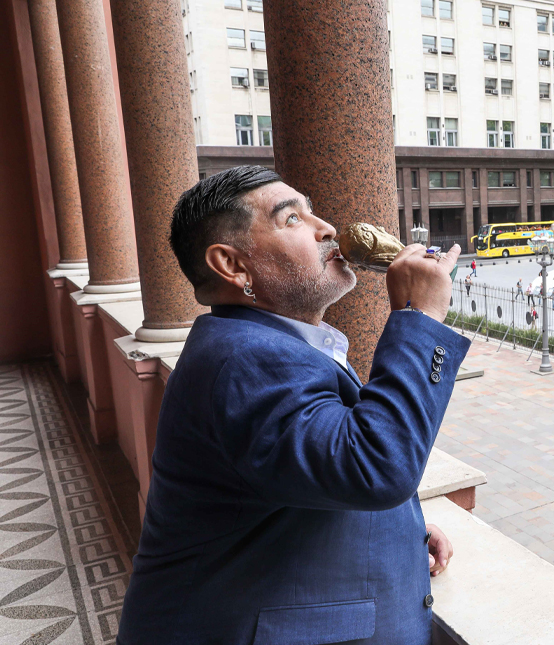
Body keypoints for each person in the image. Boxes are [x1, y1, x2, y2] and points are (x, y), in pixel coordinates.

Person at [118, 166, 461, 643]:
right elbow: (375, 466)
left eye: (312, 211)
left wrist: (400, 532)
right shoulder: (244, 361)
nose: (327, 229)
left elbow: (304, 466)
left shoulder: (259, 344)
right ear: (232, 265)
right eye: (292, 219)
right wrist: (419, 319)